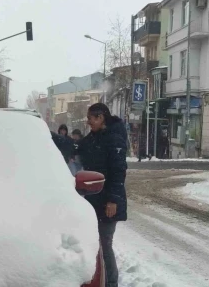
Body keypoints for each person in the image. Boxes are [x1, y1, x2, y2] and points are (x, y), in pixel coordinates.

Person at [77, 103, 127, 287]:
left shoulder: (114, 139)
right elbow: (77, 148)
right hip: (93, 199)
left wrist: (113, 200)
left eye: (90, 118)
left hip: (107, 202)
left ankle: (111, 283)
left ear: (100, 117)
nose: (88, 121)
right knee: (96, 245)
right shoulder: (94, 137)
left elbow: (118, 172)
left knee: (104, 245)